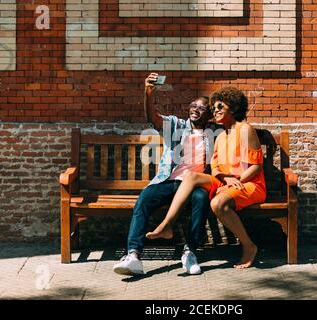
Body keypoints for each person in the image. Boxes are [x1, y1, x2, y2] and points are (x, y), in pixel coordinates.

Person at [146, 87, 266, 269]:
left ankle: (249, 246)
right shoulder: (219, 136)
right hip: (226, 181)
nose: (215, 111)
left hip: (249, 183)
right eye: (214, 108)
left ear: (232, 109)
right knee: (192, 176)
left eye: (220, 107)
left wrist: (238, 180)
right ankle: (167, 224)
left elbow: (256, 166)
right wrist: (225, 179)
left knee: (218, 204)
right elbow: (216, 167)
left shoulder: (245, 129)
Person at [113, 73, 215, 276]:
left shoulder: (215, 133)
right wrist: (148, 93)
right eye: (193, 106)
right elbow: (154, 118)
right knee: (145, 198)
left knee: (202, 199)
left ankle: (190, 252)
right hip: (169, 181)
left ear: (209, 114)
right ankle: (133, 255)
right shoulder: (177, 125)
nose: (196, 110)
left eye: (202, 108)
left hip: (194, 185)